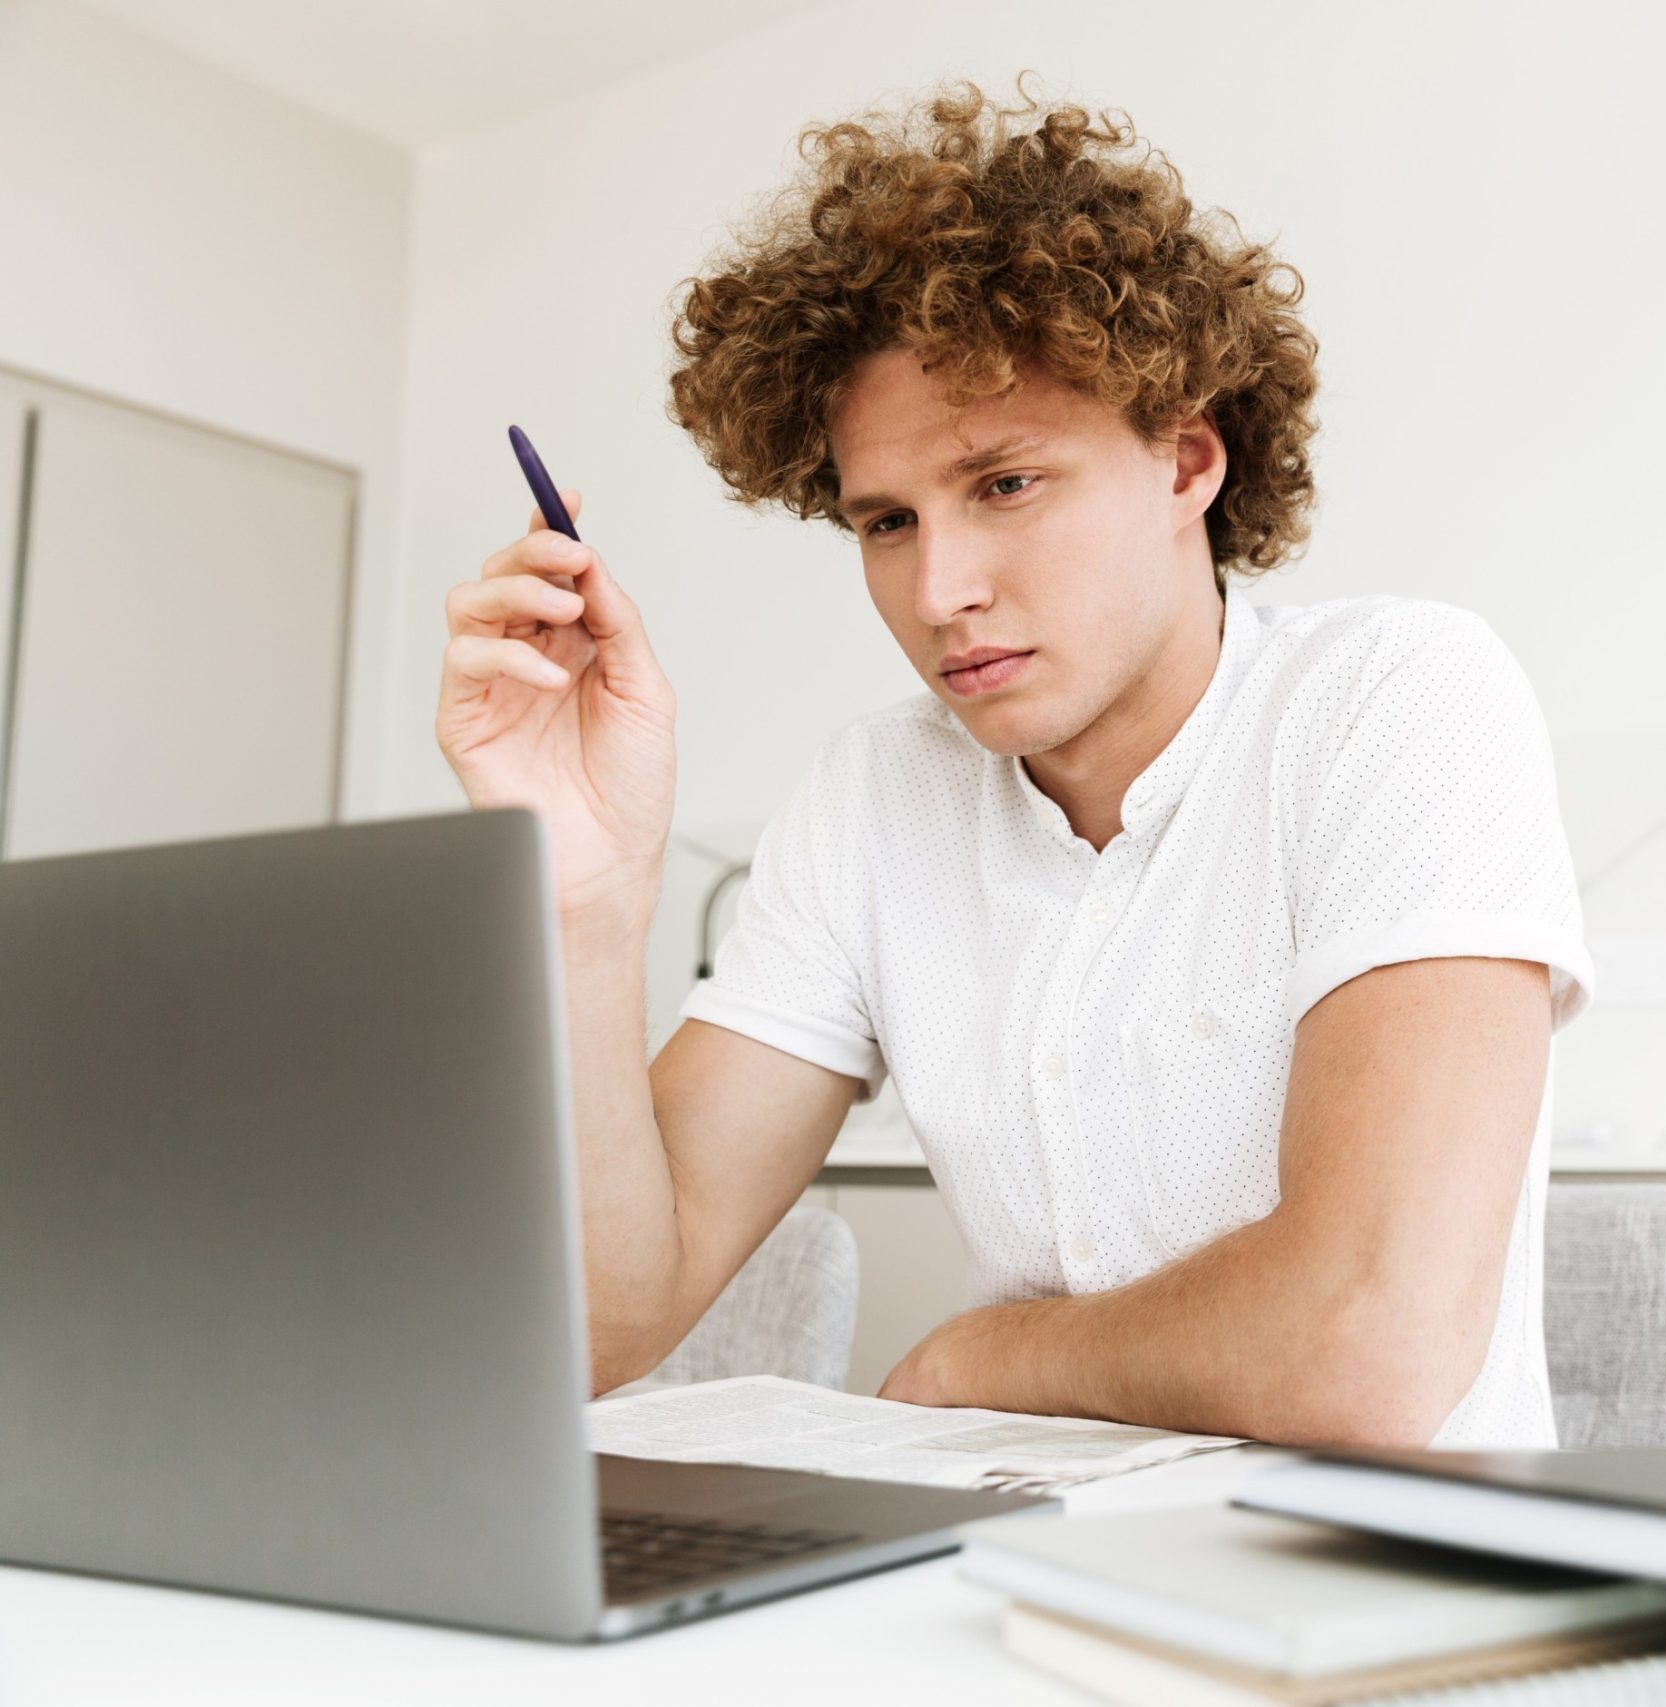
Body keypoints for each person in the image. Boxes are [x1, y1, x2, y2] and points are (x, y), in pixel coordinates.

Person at [433, 75, 1592, 1450]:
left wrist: (977, 1358)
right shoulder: (874, 799)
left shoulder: (1394, 699)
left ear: (1187, 461)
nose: (940, 591)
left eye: (1005, 485)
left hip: (1380, 1608)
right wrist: (588, 901)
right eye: (885, 523)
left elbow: (1368, 1344)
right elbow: (594, 1327)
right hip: (1016, 1584)